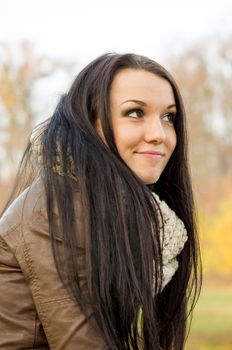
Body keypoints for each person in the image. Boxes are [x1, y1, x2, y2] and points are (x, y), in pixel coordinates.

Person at [0, 53, 201, 350]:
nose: (159, 134)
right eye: (134, 113)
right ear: (88, 123)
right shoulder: (56, 211)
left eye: (168, 117)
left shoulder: (105, 208)